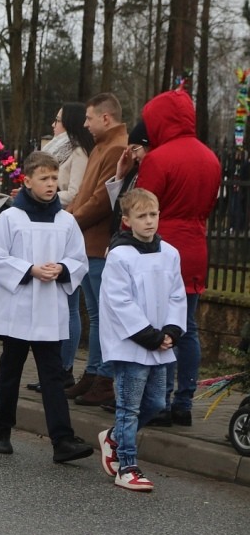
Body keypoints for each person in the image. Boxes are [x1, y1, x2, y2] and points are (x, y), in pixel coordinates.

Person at [0, 150, 93, 462]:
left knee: (53, 376)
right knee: (10, 372)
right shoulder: (10, 218)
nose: (51, 184)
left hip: (49, 309)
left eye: (55, 178)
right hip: (18, 308)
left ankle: (62, 441)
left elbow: (78, 259)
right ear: (27, 180)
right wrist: (29, 270)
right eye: (44, 178)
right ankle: (1, 431)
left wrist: (62, 268)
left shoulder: (66, 220)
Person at [135, 88, 222, 427]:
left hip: (163, 248)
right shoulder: (211, 158)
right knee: (188, 328)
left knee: (161, 327)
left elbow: (144, 205)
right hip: (196, 246)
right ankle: (184, 401)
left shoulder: (159, 158)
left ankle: (158, 400)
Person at [96, 188, 186, 492]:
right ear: (126, 220)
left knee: (157, 402)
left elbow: (176, 294)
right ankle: (127, 465)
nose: (149, 221)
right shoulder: (120, 255)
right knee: (129, 407)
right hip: (133, 344)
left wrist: (171, 331)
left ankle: (113, 437)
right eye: (141, 216)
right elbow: (119, 302)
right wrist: (149, 336)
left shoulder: (170, 253)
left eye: (153, 214)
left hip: (160, 343)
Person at [64, 92, 129, 407]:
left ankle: (104, 377)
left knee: (103, 315)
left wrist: (73, 217)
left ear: (106, 117)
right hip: (87, 241)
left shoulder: (116, 147)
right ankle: (92, 373)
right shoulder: (102, 146)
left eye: (89, 118)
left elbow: (103, 199)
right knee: (94, 313)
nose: (85, 124)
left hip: (99, 243)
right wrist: (73, 215)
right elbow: (87, 192)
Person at [28, 103, 95, 393]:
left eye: (57, 120)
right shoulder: (60, 149)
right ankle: (54, 369)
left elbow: (76, 191)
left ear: (69, 123)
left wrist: (48, 191)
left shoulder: (78, 152)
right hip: (53, 223)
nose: (54, 125)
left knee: (68, 305)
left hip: (67, 225)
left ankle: (64, 369)